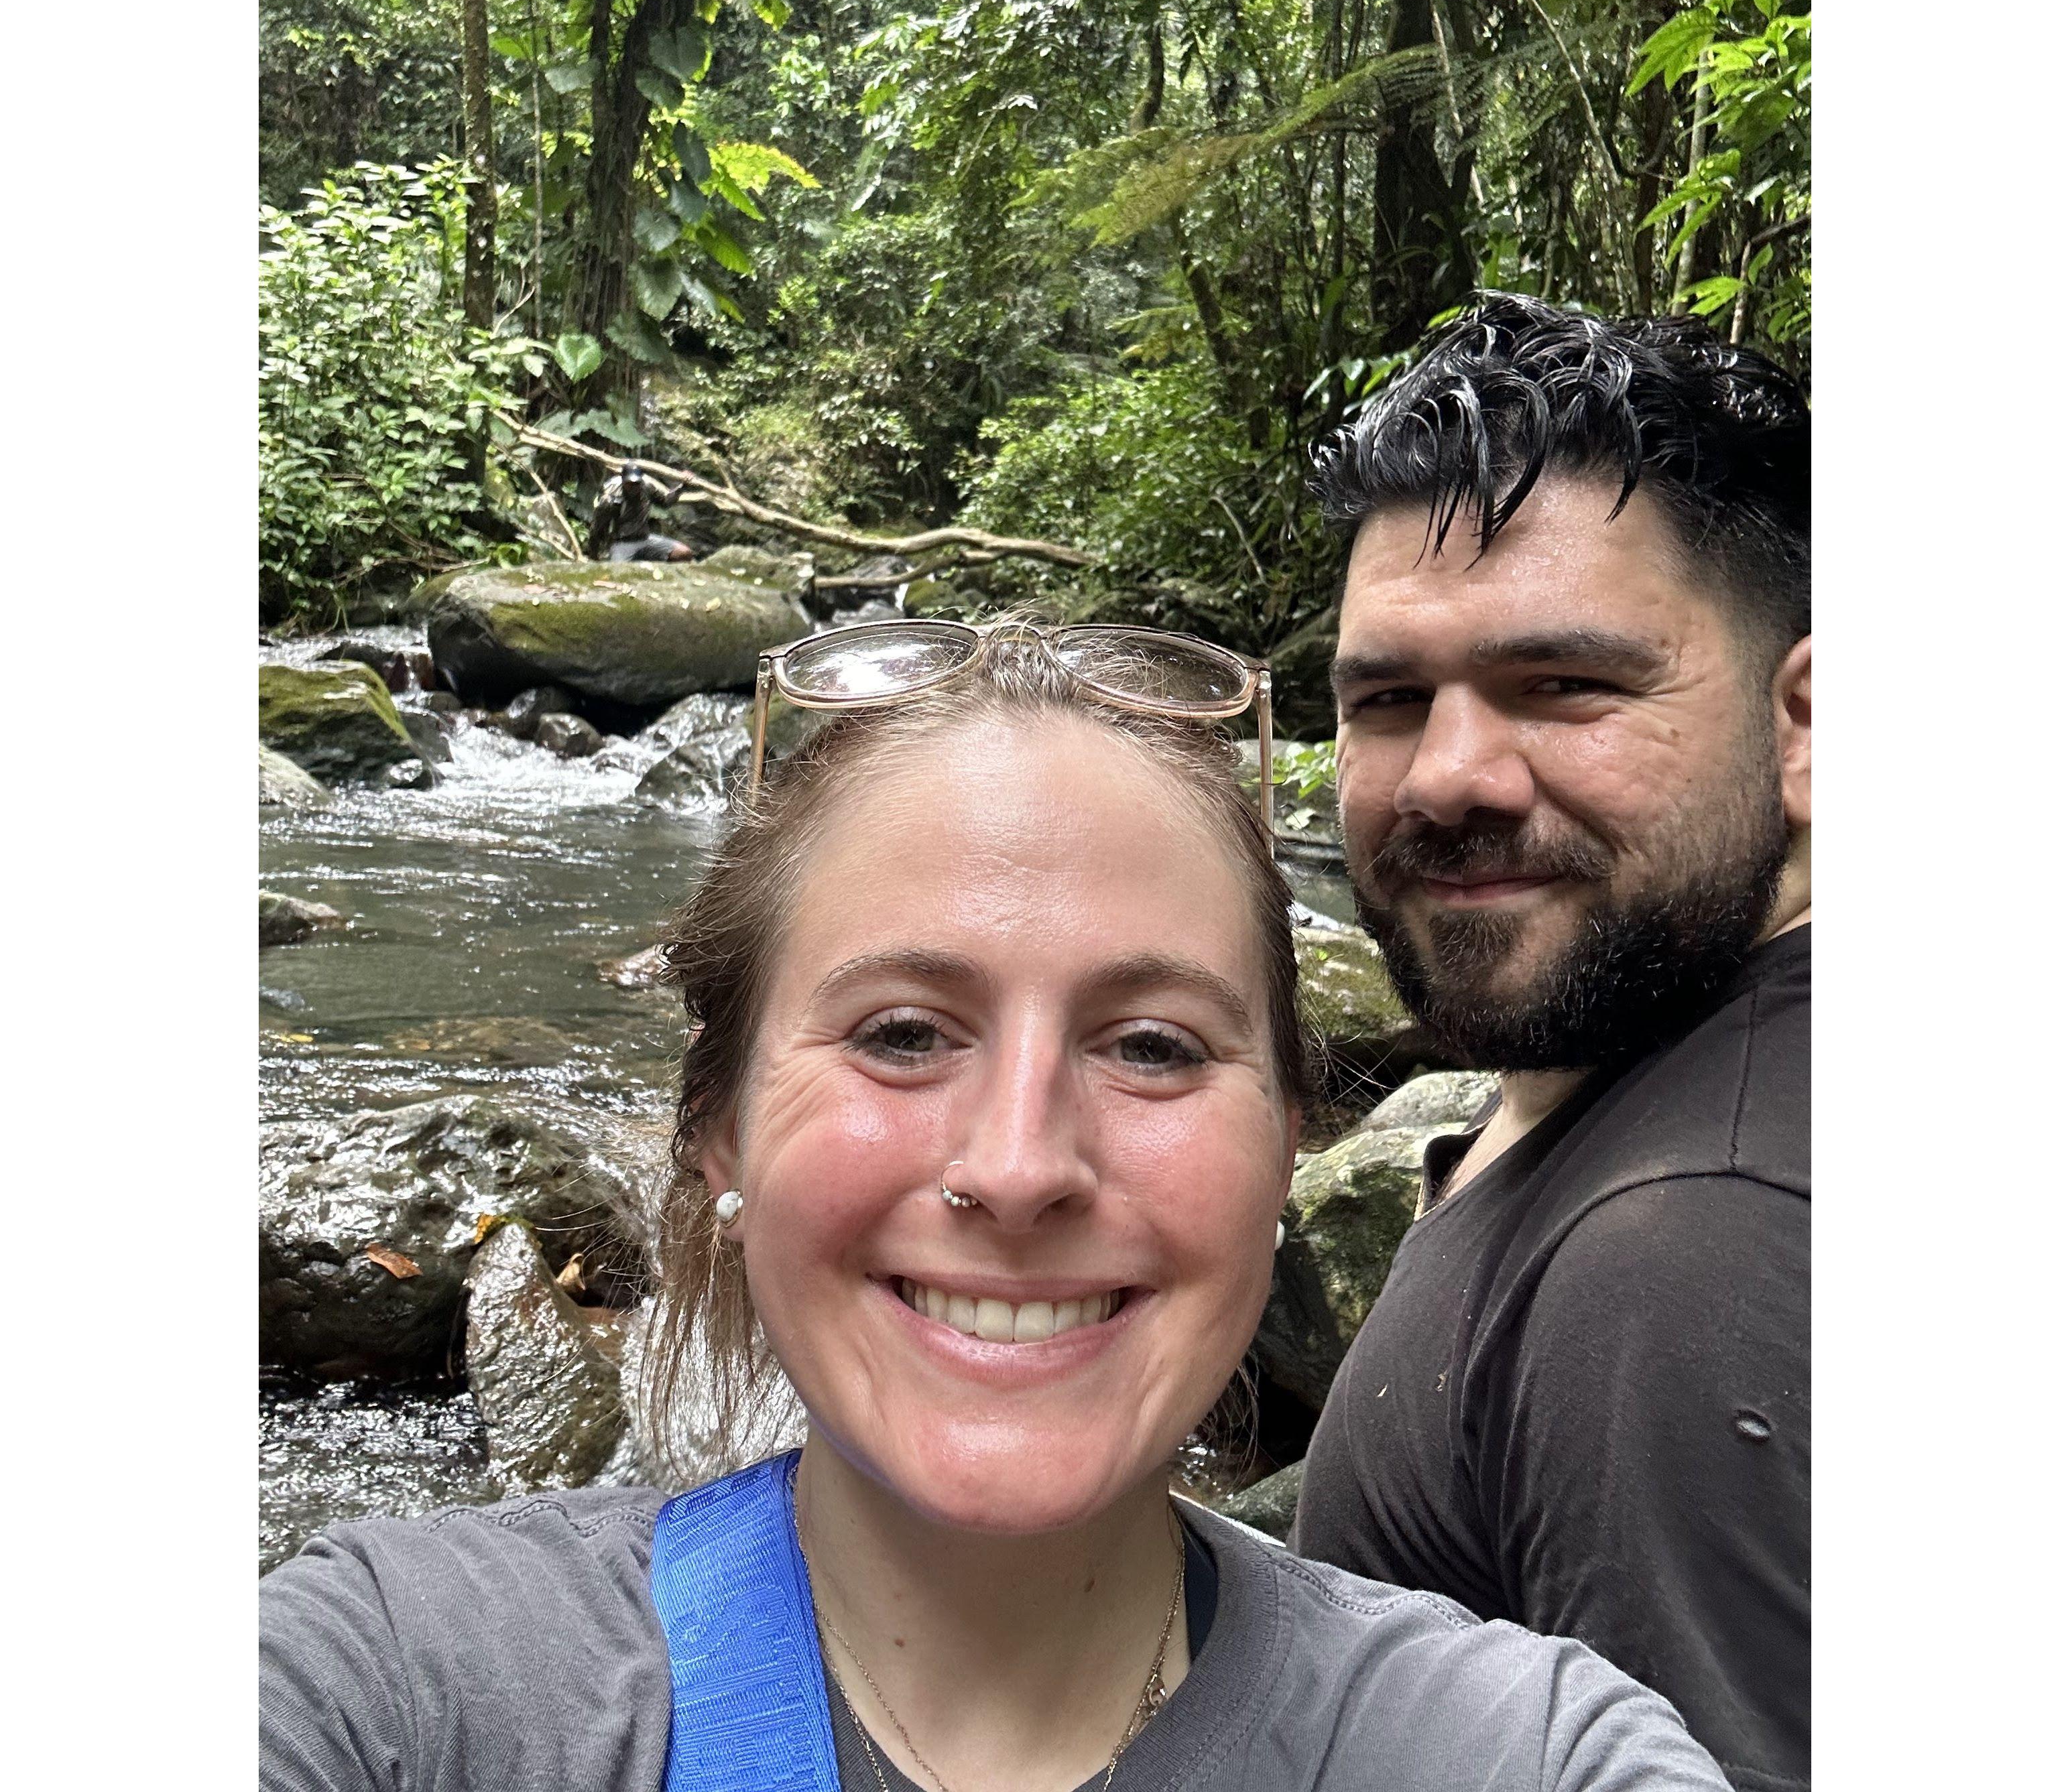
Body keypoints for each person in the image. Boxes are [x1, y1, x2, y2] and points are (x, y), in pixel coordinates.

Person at [261, 620, 1731, 1792]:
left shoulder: (1519, 1750)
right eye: (903, 1032)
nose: (1020, 1165)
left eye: (1150, 1045)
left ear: (1286, 1143)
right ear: (718, 1130)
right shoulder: (396, 1687)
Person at [1290, 295, 1809, 1792]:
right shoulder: (1641, 1063)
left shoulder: (1688, 1253)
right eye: (1389, 698)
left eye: (1563, 685)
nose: (1445, 777)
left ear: (1802, 726)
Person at [587, 459, 696, 562]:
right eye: (630, 484)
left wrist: (683, 486)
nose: (633, 487)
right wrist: (593, 556)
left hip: (645, 538)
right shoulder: (611, 496)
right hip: (622, 543)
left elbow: (666, 502)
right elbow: (597, 528)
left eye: (636, 483)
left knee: (684, 553)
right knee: (617, 571)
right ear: (623, 481)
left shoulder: (646, 487)